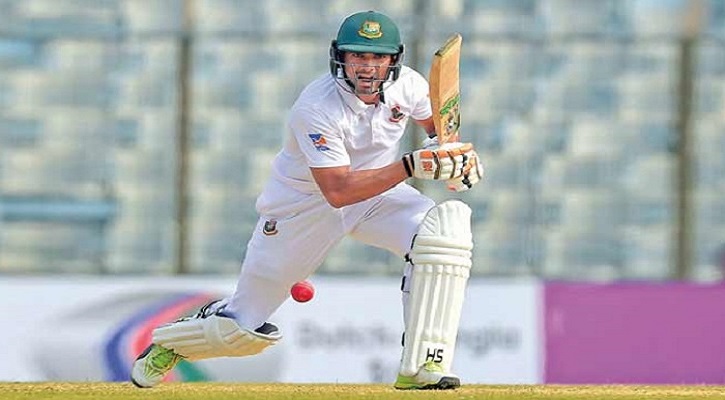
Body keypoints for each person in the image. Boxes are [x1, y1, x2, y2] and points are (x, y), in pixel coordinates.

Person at [131, 10, 482, 390]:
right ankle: (173, 342)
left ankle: (422, 366)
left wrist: (454, 158)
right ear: (340, 57)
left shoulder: (409, 85)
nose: (367, 67)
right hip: (303, 207)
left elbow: (436, 130)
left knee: (444, 233)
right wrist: (413, 165)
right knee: (241, 329)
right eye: (357, 55)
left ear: (393, 60)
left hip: (378, 196)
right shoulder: (316, 107)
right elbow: (338, 191)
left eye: (378, 57)